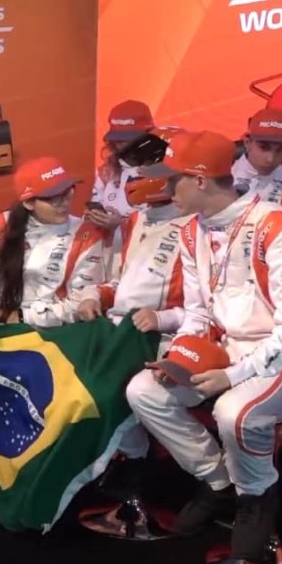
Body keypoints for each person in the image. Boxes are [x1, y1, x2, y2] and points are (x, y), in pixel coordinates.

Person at [123, 129, 282, 563]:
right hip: (233, 350)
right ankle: (218, 481)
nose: (164, 189)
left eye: (173, 179)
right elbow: (198, 312)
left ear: (201, 180)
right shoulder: (191, 231)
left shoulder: (278, 228)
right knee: (144, 391)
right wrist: (181, 356)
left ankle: (257, 497)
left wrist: (231, 375)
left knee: (233, 411)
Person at [89, 137, 194, 510]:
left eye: (139, 173)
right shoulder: (134, 221)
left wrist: (163, 318)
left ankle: (140, 462)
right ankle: (128, 456)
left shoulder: (197, 226)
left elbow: (206, 307)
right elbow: (120, 283)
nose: (131, 181)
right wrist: (94, 296)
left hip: (167, 336)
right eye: (129, 173)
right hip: (118, 329)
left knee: (105, 385)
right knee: (71, 373)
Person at [0, 156, 105, 352]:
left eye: (68, 192)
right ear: (29, 203)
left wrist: (22, 317)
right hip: (1, 323)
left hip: (60, 331)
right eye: (53, 198)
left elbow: (81, 302)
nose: (64, 203)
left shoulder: (87, 234)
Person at [89, 100, 156, 275]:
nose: (122, 145)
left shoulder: (165, 170)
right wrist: (96, 217)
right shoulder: (105, 172)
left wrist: (123, 224)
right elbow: (92, 211)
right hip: (112, 260)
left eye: (130, 139)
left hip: (151, 260)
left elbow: (172, 222)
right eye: (118, 139)